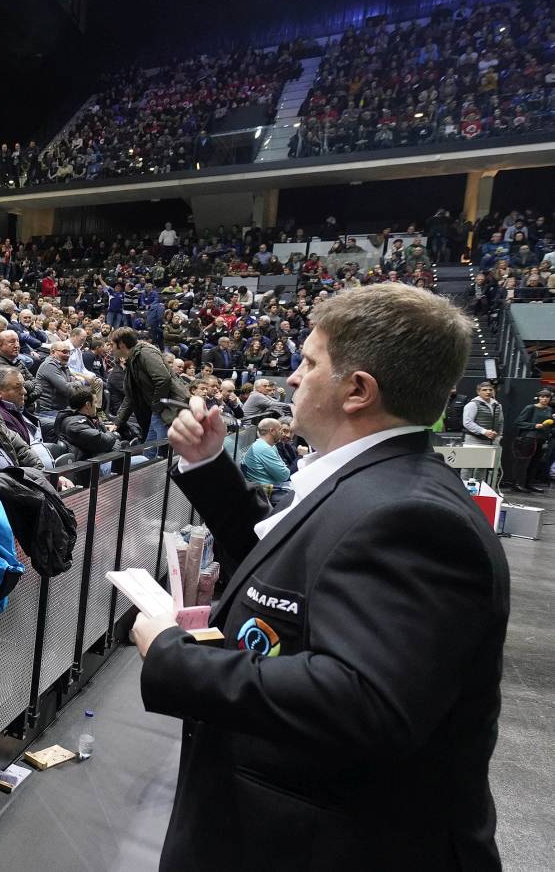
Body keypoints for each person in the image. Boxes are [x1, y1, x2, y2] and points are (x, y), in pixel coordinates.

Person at [134, 284, 508, 871]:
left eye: (309, 363)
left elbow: (364, 703)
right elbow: (288, 567)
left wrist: (174, 656)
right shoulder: (377, 484)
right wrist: (209, 467)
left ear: (357, 391)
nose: (291, 379)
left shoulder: (414, 518)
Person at [112, 326, 189, 443]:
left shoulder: (145, 352)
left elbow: (163, 378)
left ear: (121, 344)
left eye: (112, 344)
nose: (111, 348)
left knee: (162, 455)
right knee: (150, 453)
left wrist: (156, 404)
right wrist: (117, 423)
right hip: (160, 412)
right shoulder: (133, 359)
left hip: (168, 411)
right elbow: (131, 396)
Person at [239, 416, 293, 504]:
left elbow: (284, 469)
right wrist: (284, 468)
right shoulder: (264, 448)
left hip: (274, 488)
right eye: (280, 430)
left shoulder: (270, 446)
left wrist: (284, 468)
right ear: (272, 431)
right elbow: (284, 475)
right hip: (267, 493)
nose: (282, 433)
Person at [510, 389, 554, 492]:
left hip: (542, 439)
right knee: (523, 462)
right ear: (538, 398)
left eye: (547, 397)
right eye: (542, 397)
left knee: (535, 462)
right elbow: (519, 422)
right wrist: (534, 425)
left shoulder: (549, 410)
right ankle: (518, 483)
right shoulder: (531, 408)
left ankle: (529, 483)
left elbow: (547, 425)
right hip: (529, 438)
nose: (544, 399)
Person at [461, 380, 503, 446]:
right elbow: (467, 422)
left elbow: (500, 422)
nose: (488, 392)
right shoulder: (472, 404)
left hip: (493, 441)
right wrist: (484, 431)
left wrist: (499, 436)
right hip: (474, 441)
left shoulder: (497, 405)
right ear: (478, 392)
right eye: (484, 390)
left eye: (490, 390)